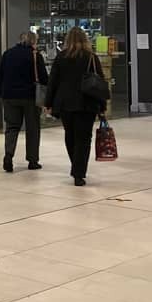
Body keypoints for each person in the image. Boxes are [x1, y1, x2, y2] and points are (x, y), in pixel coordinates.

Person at [44, 26, 106, 186]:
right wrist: (102, 105)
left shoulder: (61, 57)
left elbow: (53, 82)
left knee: (70, 136)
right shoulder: (91, 57)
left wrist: (48, 103)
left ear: (68, 39)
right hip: (87, 103)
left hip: (65, 103)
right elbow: (100, 82)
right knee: (83, 138)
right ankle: (79, 172)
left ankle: (75, 166)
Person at [0, 31, 48, 173]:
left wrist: (2, 93)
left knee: (11, 127)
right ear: (33, 42)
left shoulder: (8, 54)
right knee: (33, 128)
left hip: (9, 96)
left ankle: (8, 155)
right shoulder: (35, 56)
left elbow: (0, 76)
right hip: (30, 97)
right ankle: (32, 161)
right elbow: (43, 78)